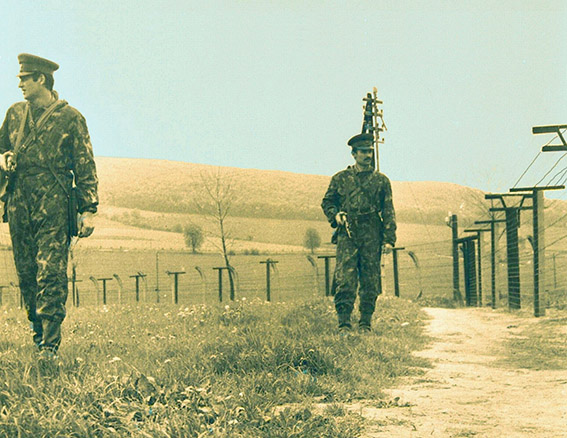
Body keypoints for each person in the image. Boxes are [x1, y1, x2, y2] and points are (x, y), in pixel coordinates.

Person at [0, 53, 99, 358]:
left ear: (40, 79)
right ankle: (37, 333)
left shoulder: (71, 118)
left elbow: (85, 166)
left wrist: (88, 209)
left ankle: (50, 345)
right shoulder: (15, 114)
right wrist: (3, 158)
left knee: (51, 272)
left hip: (54, 202)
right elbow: (1, 146)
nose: (20, 85)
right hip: (20, 201)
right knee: (27, 272)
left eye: (25, 79)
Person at [321, 133, 396, 332]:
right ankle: (344, 322)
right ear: (354, 154)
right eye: (363, 152)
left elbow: (388, 209)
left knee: (370, 279)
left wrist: (389, 239)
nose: (367, 156)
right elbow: (328, 202)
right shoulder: (340, 179)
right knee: (345, 278)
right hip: (348, 232)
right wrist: (335, 215)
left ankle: (365, 322)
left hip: (372, 232)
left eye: (370, 152)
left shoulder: (381, 181)